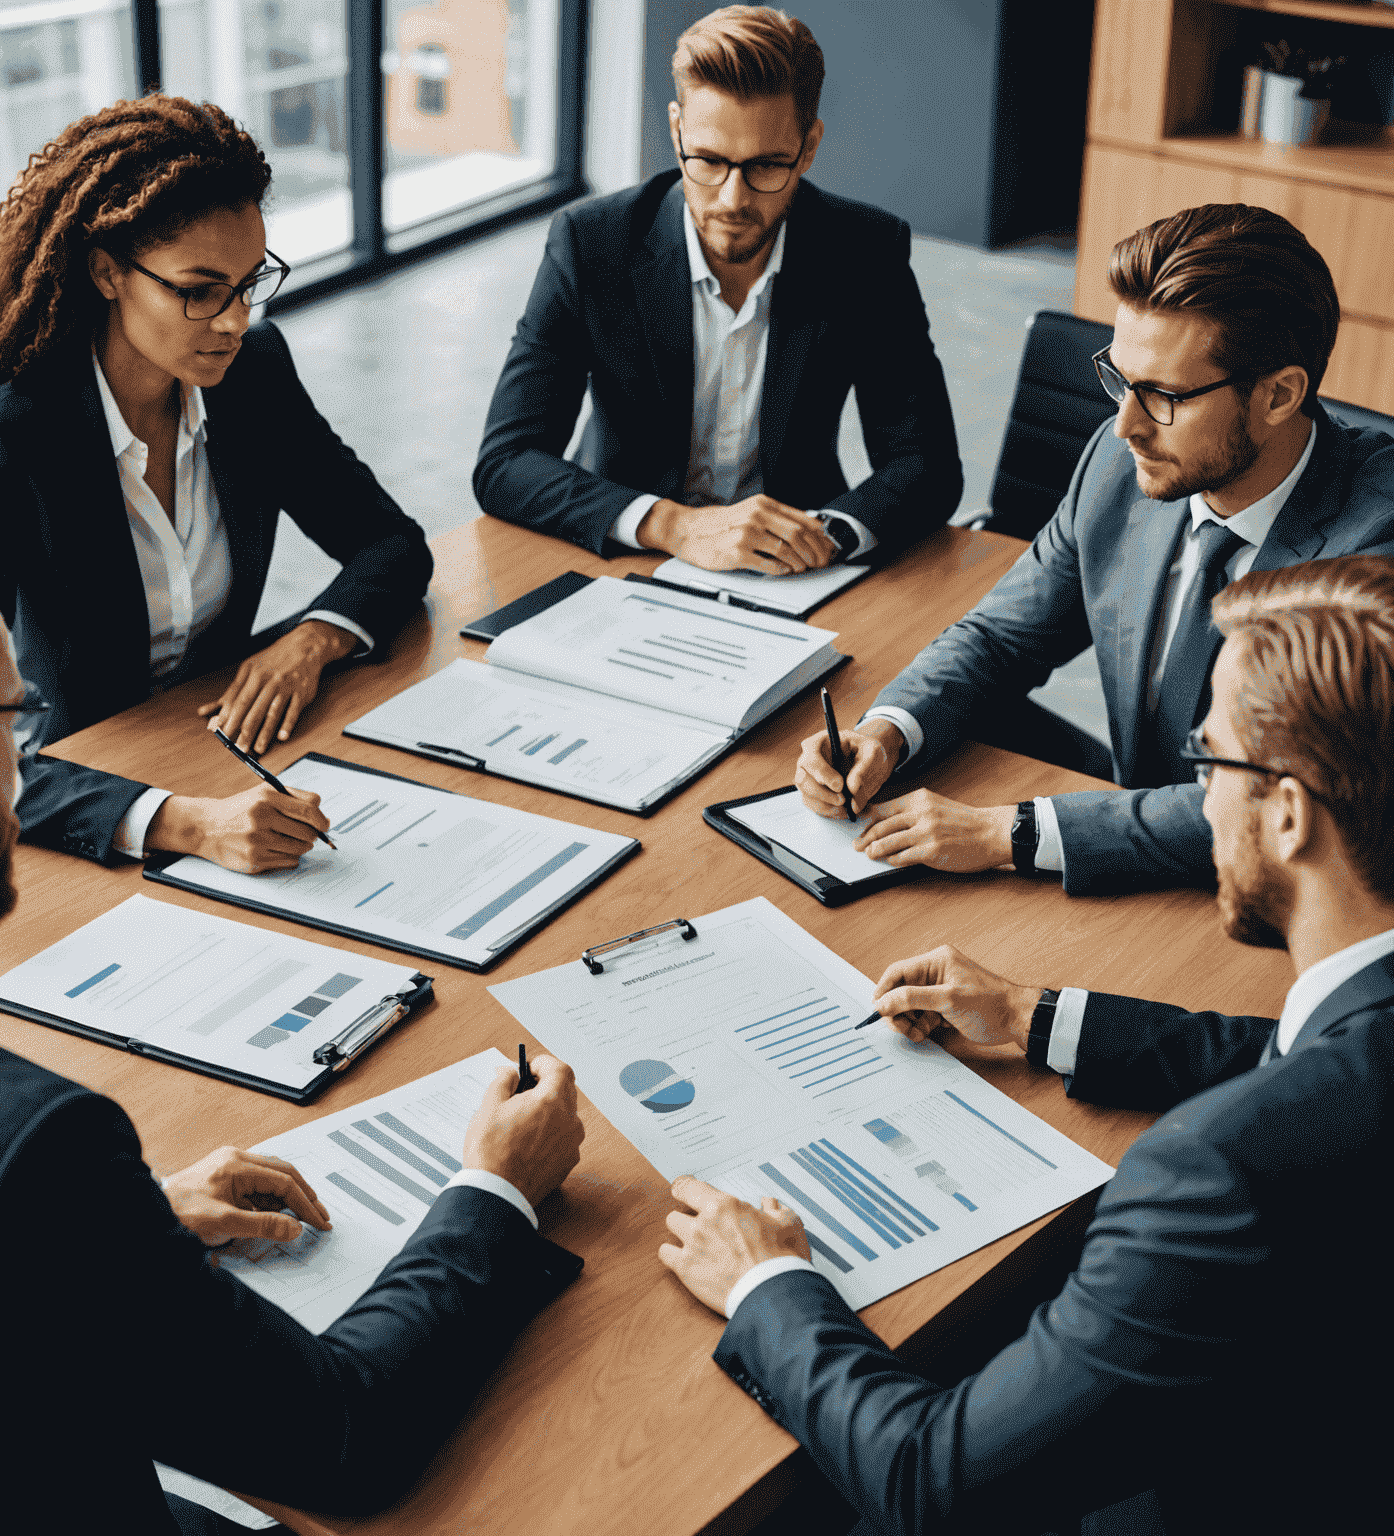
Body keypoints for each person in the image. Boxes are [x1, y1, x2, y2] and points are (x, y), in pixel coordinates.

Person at [0, 509, 585, 1536]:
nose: (22, 760)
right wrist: (495, 1191)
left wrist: (104, 1238)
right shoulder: (24, 1148)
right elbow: (343, 1436)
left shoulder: (8, 1183)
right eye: (11, 717)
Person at [661, 554, 1394, 1534]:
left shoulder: (1213, 1174)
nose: (1203, 795)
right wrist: (1034, 1017)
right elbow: (1324, 1064)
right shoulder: (1348, 1053)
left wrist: (766, 1281)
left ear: (1291, 812)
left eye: (1210, 760)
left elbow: (935, 1480)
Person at [794, 203, 1394, 895]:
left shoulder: (1371, 556)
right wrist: (890, 731)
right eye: (1119, 378)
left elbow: (1265, 800)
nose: (1124, 427)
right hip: (1137, 862)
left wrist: (1008, 833)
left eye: (1163, 396)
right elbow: (1000, 639)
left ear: (1280, 394)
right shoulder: (1120, 471)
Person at [0, 95, 433, 873]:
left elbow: (390, 543)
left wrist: (312, 639)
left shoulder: (252, 376)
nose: (233, 321)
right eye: (199, 290)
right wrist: (186, 824)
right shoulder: (3, 448)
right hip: (75, 813)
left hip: (219, 760)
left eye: (248, 282)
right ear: (107, 271)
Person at [473, 5, 961, 574]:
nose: (733, 200)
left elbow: (925, 463)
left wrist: (821, 537)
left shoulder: (865, 251)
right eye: (707, 160)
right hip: (626, 552)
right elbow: (506, 461)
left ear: (809, 146)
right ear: (678, 130)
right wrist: (674, 525)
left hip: (792, 568)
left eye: (766, 166)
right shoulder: (592, 243)